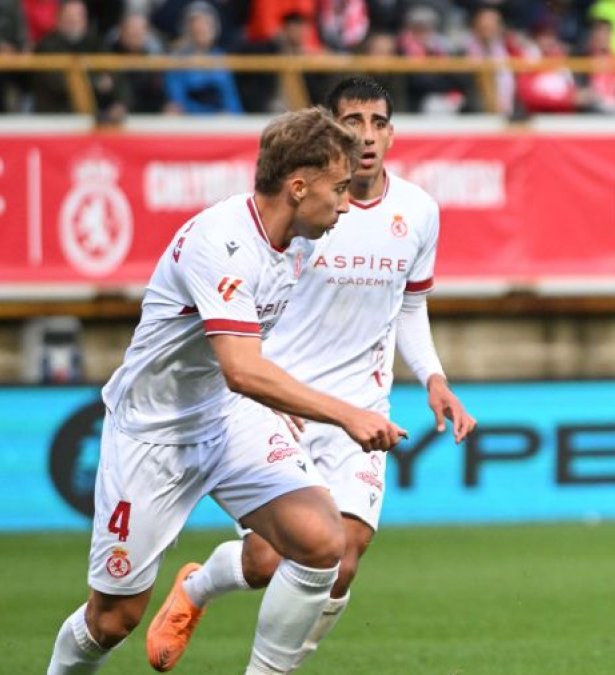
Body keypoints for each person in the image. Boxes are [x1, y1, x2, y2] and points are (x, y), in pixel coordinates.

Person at [46, 106, 405, 675]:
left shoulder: (301, 242)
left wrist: (278, 405)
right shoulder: (221, 241)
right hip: (152, 434)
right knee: (113, 620)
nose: (344, 202)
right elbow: (242, 366)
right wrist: (344, 414)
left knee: (321, 542)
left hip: (227, 415)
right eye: (338, 189)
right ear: (297, 185)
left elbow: (251, 362)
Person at [143, 76, 476, 672]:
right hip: (284, 400)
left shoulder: (419, 212)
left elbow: (409, 304)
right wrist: (268, 397)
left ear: (393, 133)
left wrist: (433, 376)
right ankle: (196, 588)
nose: (366, 136)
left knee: (343, 557)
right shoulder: (308, 209)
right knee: (270, 560)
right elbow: (257, 308)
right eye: (353, 122)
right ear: (331, 130)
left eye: (378, 123)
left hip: (363, 405)